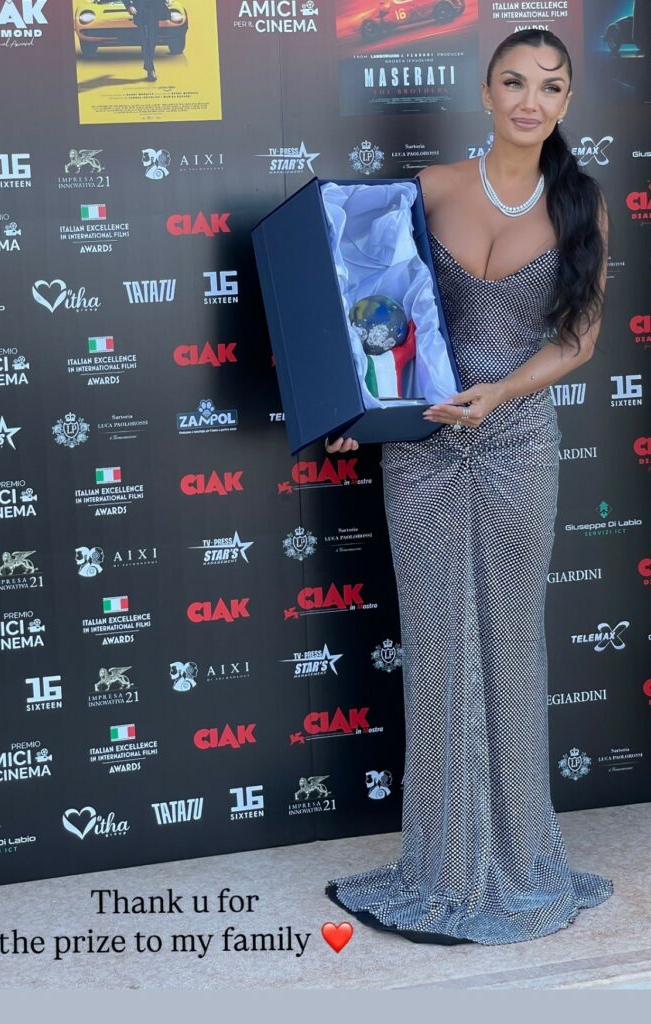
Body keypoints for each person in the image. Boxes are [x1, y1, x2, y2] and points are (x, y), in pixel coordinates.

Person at [324, 28, 615, 945]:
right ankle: (443, 864)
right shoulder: (428, 190)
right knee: (438, 646)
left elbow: (580, 340)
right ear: (485, 92)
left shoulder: (581, 203)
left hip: (518, 442)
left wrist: (501, 393)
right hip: (422, 450)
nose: (531, 100)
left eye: (551, 87)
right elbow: (373, 309)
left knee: (512, 645)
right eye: (514, 82)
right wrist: (359, 404)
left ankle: (521, 858)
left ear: (566, 103)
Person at [127, 0, 169, 81]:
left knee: (152, 40)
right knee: (145, 40)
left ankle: (148, 65)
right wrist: (129, 5)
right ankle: (150, 69)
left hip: (154, 10)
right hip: (141, 10)